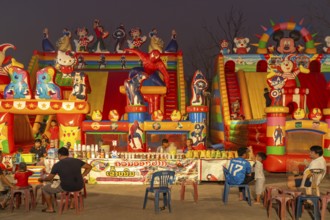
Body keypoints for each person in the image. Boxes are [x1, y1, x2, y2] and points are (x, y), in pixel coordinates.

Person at [38, 147, 92, 213]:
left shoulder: (57, 165)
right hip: (79, 185)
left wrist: (42, 179)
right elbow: (89, 167)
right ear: (67, 154)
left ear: (59, 155)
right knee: (64, 183)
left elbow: (49, 178)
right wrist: (82, 175)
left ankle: (50, 208)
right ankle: (72, 204)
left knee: (45, 189)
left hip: (66, 186)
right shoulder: (77, 161)